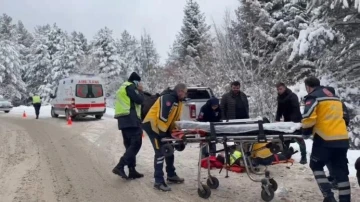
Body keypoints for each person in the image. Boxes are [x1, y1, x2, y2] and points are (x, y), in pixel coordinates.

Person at [302, 76, 350, 202]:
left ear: (308, 87)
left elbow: (308, 117)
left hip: (324, 138)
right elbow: (345, 117)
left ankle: (328, 197)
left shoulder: (313, 96)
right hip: (342, 139)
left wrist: (305, 132)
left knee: (316, 165)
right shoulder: (336, 98)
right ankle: (345, 199)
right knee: (340, 171)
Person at [142, 83, 187, 191]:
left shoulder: (179, 102)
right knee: (160, 151)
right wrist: (162, 135)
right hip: (152, 126)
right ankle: (158, 181)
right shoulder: (168, 98)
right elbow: (162, 116)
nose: (186, 94)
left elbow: (174, 120)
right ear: (180, 91)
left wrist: (176, 135)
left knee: (169, 149)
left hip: (162, 127)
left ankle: (171, 175)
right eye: (185, 92)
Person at [112, 72, 144, 180]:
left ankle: (132, 170)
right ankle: (120, 166)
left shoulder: (122, 88)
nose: (139, 84)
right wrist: (140, 91)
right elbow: (139, 100)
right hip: (131, 120)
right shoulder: (130, 86)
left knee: (129, 145)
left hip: (123, 120)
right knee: (136, 144)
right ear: (136, 81)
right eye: (139, 82)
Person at [323, 86, 350, 189]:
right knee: (328, 158)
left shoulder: (338, 104)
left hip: (338, 136)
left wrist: (336, 126)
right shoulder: (328, 104)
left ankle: (339, 180)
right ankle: (334, 176)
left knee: (337, 159)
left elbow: (346, 118)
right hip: (329, 136)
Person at [275, 82, 307, 164]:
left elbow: (295, 109)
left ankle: (304, 156)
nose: (279, 91)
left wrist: (294, 123)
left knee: (299, 139)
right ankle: (285, 154)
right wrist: (277, 119)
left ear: (285, 88)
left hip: (296, 120)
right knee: (286, 139)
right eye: (278, 89)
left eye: (280, 89)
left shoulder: (292, 96)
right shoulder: (280, 98)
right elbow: (279, 110)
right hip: (287, 121)